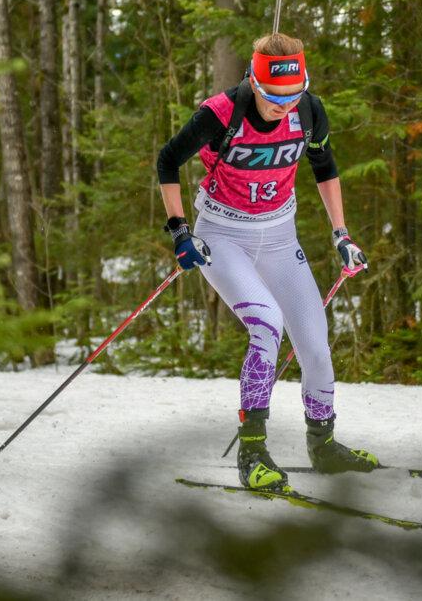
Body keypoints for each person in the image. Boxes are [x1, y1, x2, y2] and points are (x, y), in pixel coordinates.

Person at [155, 33, 379, 490]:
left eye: (293, 94)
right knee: (266, 325)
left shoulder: (310, 111)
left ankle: (323, 445)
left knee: (315, 344)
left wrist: (342, 234)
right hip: (222, 234)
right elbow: (167, 161)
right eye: (275, 95)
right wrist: (180, 230)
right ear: (254, 83)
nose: (284, 105)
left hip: (279, 236)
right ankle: (252, 453)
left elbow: (325, 168)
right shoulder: (220, 113)